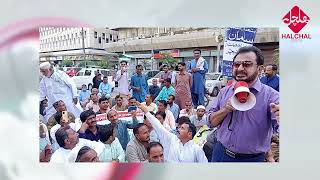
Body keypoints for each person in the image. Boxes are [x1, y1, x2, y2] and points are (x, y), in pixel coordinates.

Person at [208, 46, 279, 162]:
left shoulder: (272, 97)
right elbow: (211, 123)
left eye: (247, 64)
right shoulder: (224, 92)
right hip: (221, 154)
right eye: (236, 64)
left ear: (260, 69)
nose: (240, 68)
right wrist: (225, 109)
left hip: (252, 160)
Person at [138, 103, 208, 162]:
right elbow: (158, 126)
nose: (178, 129)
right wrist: (146, 111)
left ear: (189, 134)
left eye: (182, 128)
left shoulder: (196, 149)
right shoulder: (172, 139)